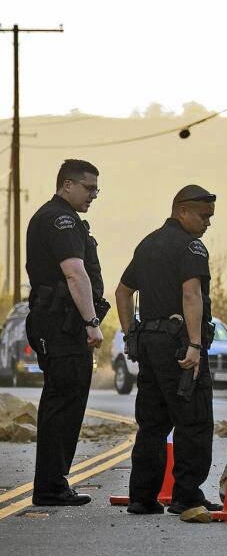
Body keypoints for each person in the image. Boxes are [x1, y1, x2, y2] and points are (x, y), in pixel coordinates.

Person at [114, 185, 221, 523]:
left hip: (149, 344)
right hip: (178, 347)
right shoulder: (191, 247)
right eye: (203, 216)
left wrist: (131, 332)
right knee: (194, 421)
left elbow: (122, 291)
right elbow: (192, 295)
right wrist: (194, 344)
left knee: (152, 424)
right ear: (182, 211)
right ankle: (186, 497)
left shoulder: (147, 243)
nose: (207, 224)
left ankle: (142, 498)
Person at [25, 159, 106, 506]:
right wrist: (91, 323)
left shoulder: (60, 217)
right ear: (67, 185)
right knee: (64, 401)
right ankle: (51, 486)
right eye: (89, 188)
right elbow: (75, 274)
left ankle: (53, 483)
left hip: (59, 324)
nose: (94, 195)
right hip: (61, 325)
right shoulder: (61, 219)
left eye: (97, 190)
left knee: (64, 400)